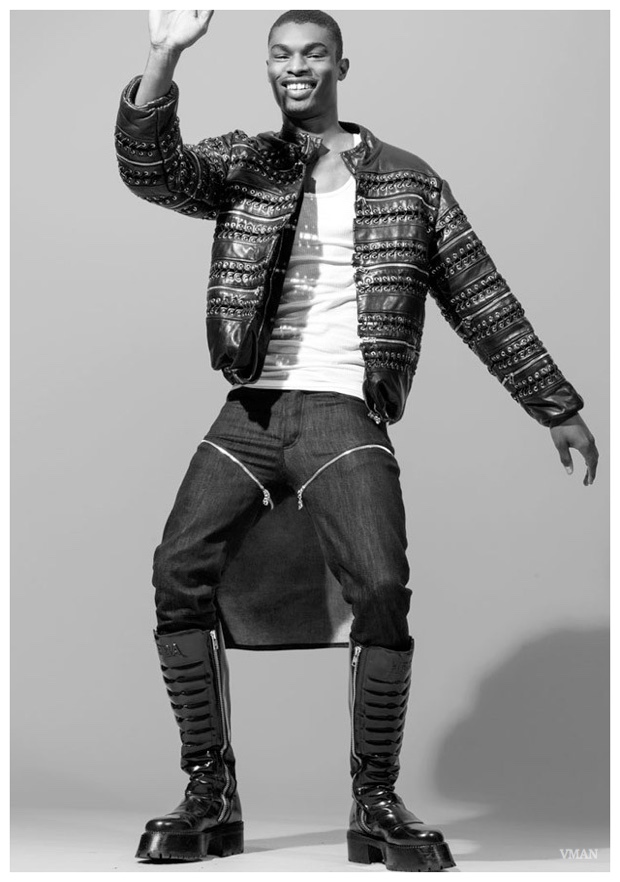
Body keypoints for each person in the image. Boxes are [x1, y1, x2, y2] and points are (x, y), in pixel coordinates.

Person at [114, 9, 599, 872]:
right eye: (280, 55)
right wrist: (164, 54)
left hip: (343, 412)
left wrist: (554, 404)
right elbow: (150, 170)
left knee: (379, 583)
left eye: (313, 54)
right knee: (176, 568)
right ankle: (209, 792)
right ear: (268, 67)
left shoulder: (411, 184)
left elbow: (480, 296)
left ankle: (375, 801)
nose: (295, 67)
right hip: (252, 410)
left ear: (342, 65)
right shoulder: (246, 162)